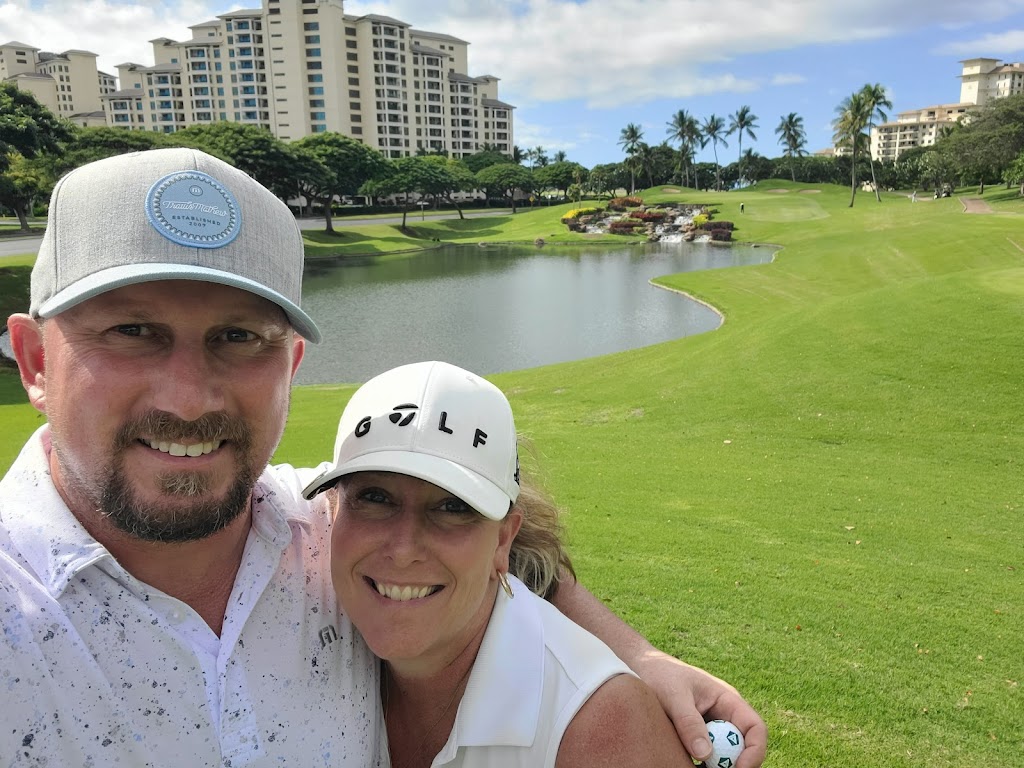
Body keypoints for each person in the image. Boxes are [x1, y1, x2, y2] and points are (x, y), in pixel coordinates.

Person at [1, 147, 766, 765]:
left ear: (291, 366)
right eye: (132, 331)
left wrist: (640, 657)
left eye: (239, 337)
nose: (191, 399)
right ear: (35, 361)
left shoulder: (319, 522)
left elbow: (506, 545)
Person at [305, 360, 694, 767]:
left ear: (503, 540)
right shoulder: (311, 623)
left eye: (452, 507)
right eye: (374, 497)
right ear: (332, 510)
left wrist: (643, 657)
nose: (403, 550)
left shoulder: (599, 728)